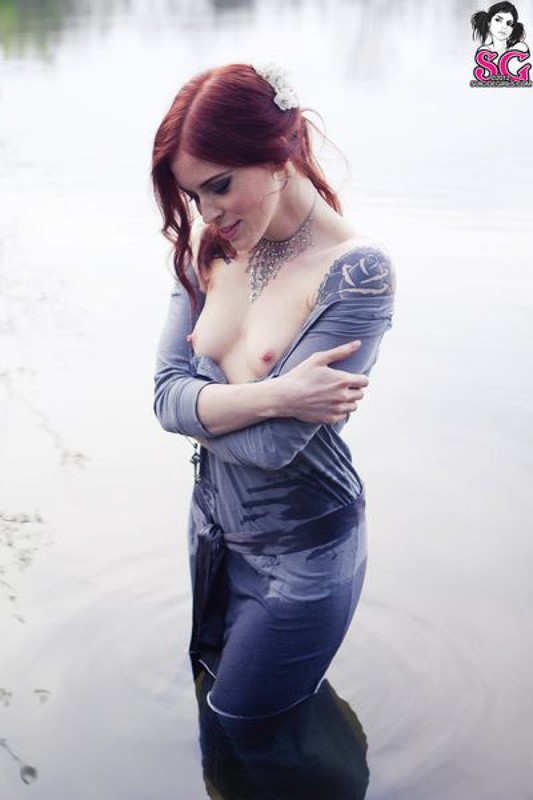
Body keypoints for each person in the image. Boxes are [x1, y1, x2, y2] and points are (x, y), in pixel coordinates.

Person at [151, 63, 394, 796]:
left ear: (280, 156)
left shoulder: (356, 274)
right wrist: (281, 392)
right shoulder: (209, 251)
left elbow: (267, 450)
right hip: (212, 530)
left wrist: (202, 409)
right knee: (221, 712)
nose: (207, 212)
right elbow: (162, 397)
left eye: (220, 185)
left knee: (244, 724)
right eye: (193, 195)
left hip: (302, 553)